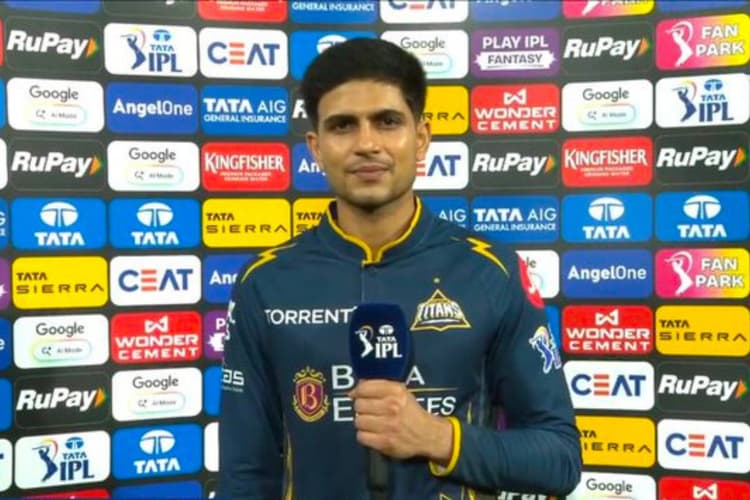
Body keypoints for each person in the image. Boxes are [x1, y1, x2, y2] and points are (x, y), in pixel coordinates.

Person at [219, 38, 581, 500]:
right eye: (343, 126)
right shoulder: (265, 283)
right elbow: (245, 475)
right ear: (316, 147)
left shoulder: (491, 271)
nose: (367, 144)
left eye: (387, 122)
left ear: (422, 136)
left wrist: (439, 438)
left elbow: (559, 458)